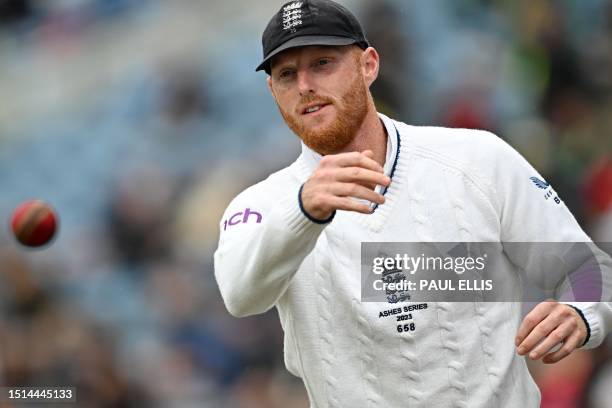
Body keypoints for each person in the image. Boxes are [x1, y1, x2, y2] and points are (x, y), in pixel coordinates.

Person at [214, 1, 612, 406]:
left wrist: (582, 313)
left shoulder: (477, 159)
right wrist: (303, 212)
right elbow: (240, 295)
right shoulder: (266, 203)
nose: (304, 85)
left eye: (322, 63)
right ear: (272, 91)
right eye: (286, 74)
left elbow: (588, 266)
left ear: (368, 65)